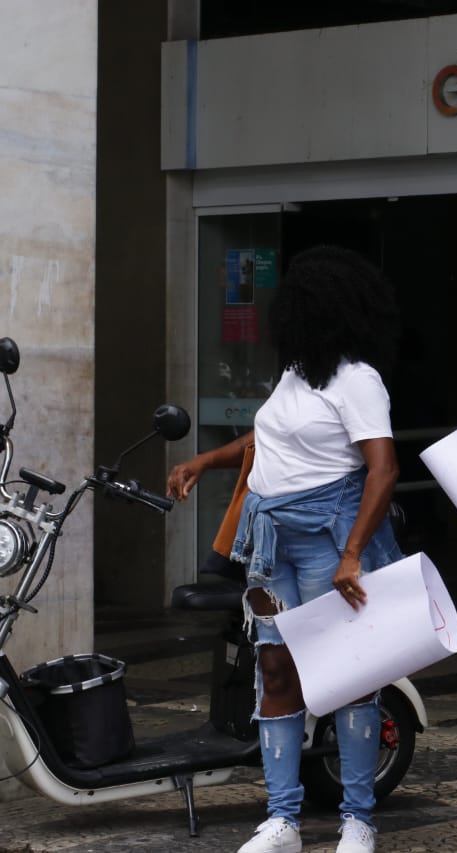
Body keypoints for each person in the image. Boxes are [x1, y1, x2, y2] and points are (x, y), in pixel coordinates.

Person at [166, 245, 403, 853]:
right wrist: (206, 460)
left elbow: (383, 470)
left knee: (346, 674)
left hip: (328, 537)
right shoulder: (298, 373)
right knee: (275, 668)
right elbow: (267, 437)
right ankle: (282, 821)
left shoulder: (358, 380)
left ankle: (358, 819)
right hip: (272, 543)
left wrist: (352, 555)